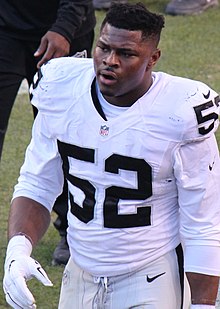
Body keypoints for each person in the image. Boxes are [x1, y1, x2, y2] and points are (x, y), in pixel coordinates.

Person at [3, 2, 220, 309]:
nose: (109, 61)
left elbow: (204, 222)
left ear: (153, 58)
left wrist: (203, 304)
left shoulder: (180, 111)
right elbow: (37, 184)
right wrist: (18, 250)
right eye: (103, 48)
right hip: (80, 271)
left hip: (150, 273)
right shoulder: (60, 88)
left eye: (126, 53)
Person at [0, 0, 96, 266]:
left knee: (67, 136)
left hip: (64, 32)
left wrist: (65, 28)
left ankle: (71, 227)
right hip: (5, 29)